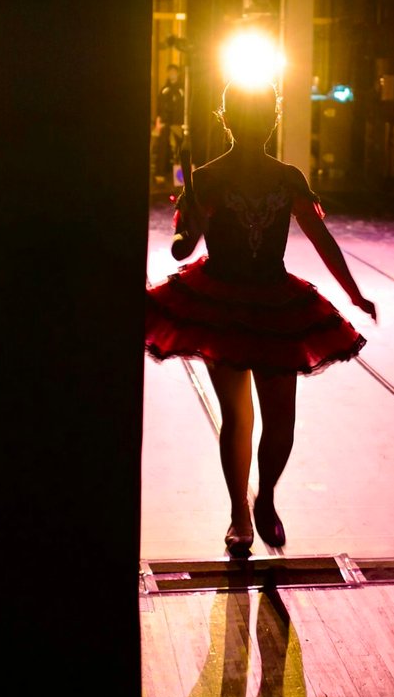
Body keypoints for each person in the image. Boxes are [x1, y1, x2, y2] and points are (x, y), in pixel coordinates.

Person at [144, 80, 378, 557]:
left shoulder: (280, 177)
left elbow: (320, 238)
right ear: (241, 120)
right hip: (223, 304)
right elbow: (183, 248)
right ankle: (242, 512)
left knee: (272, 420)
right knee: (247, 417)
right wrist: (190, 226)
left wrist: (354, 292)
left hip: (271, 302)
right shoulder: (209, 178)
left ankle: (261, 499)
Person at [157, 62, 187, 174]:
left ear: (178, 73)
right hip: (165, 122)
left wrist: (181, 122)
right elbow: (160, 106)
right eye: (170, 72)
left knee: (180, 147)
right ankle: (160, 173)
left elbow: (184, 105)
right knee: (162, 146)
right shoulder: (165, 89)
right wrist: (159, 120)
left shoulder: (182, 89)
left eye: (174, 72)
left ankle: (182, 175)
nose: (172, 74)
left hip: (178, 122)